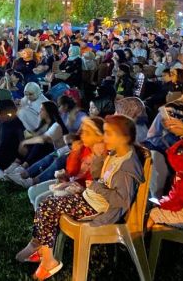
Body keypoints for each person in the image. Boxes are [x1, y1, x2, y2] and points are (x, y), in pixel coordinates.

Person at [15, 115, 144, 279]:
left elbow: (121, 200)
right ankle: (43, 252)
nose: (104, 138)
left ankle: (44, 255)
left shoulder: (127, 166)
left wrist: (97, 187)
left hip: (99, 209)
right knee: (47, 204)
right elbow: (101, 178)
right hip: (90, 199)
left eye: (109, 134)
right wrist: (96, 164)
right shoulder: (116, 154)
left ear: (124, 137)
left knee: (48, 207)